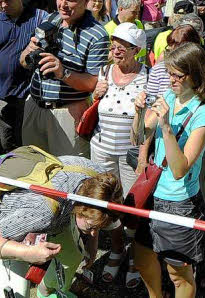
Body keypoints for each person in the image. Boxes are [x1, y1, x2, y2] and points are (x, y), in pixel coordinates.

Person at [135, 43, 205, 298]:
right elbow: (138, 137)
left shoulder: (204, 113)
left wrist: (167, 127)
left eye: (178, 75)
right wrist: (137, 115)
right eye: (169, 73)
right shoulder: (168, 97)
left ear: (196, 75)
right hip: (152, 194)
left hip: (178, 202)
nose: (171, 80)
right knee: (142, 255)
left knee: (178, 274)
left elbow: (180, 169)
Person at [0, 166, 121, 298]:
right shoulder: (44, 211)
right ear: (80, 209)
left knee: (72, 255)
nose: (94, 233)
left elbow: (93, 219)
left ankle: (46, 292)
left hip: (51, 213)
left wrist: (92, 241)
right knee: (18, 293)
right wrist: (28, 253)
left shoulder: (101, 183)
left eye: (98, 228)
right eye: (91, 228)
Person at [20, 0, 110, 159]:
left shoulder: (97, 35)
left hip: (66, 114)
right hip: (35, 107)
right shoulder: (51, 19)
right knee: (31, 167)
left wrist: (63, 73)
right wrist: (28, 52)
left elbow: (93, 83)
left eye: (70, 0)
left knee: (70, 172)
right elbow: (23, 62)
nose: (63, 5)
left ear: (86, 2)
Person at [89, 22, 149, 287]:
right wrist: (94, 95)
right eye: (113, 46)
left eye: (122, 47)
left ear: (136, 50)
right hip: (101, 148)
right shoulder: (104, 70)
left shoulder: (148, 76)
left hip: (131, 153)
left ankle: (136, 255)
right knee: (107, 203)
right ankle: (116, 250)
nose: (115, 51)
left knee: (134, 207)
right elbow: (94, 106)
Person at [0, 0, 47, 156]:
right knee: (4, 142)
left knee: (26, 143)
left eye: (7, 0)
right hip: (0, 94)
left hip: (28, 96)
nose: (3, 5)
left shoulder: (39, 19)